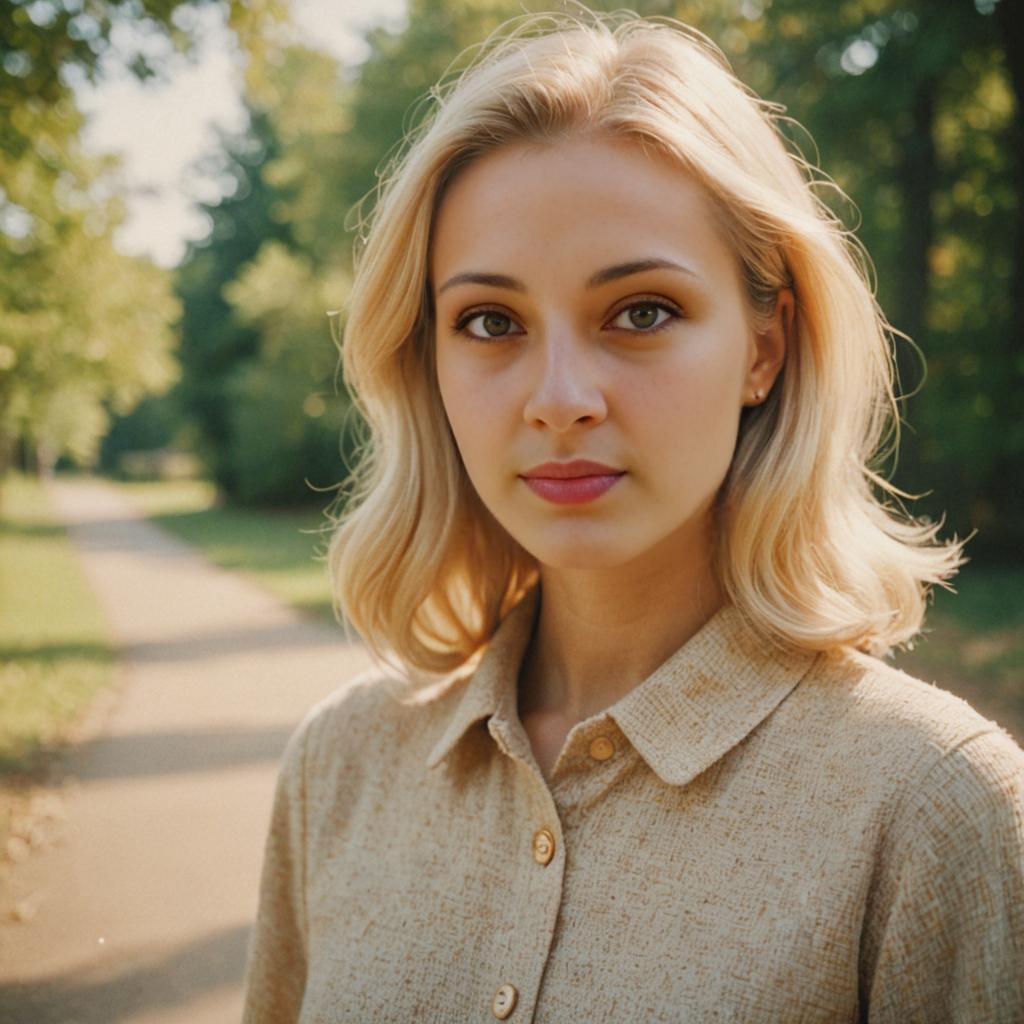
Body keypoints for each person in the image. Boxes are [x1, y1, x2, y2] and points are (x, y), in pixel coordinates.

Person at [241, 8, 1024, 1022]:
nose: (559, 396)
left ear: (762, 346)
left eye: (641, 311)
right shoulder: (336, 765)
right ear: (425, 359)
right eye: (490, 322)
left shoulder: (934, 810)